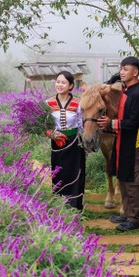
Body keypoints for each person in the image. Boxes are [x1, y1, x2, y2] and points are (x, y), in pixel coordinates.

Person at [97, 57, 139, 231]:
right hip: (123, 140)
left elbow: (133, 122)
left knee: (133, 180)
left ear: (135, 72)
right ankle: (126, 213)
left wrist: (110, 124)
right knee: (123, 176)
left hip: (133, 142)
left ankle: (135, 219)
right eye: (121, 69)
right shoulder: (127, 91)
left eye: (126, 69)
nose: (122, 72)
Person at [44, 71, 86, 211]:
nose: (59, 85)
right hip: (56, 143)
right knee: (58, 172)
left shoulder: (77, 103)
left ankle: (74, 205)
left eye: (63, 82)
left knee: (74, 172)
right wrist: (51, 134)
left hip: (74, 142)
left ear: (71, 85)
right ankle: (59, 203)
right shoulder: (48, 103)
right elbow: (44, 125)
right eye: (58, 82)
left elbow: (81, 123)